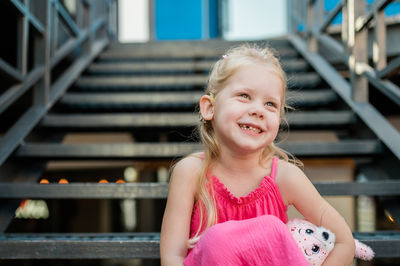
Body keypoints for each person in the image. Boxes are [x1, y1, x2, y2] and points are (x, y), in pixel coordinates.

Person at [160, 44, 355, 265]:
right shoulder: (190, 173)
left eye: (270, 104)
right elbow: (173, 256)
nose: (258, 110)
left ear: (279, 122)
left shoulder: (285, 176)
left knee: (272, 230)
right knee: (217, 241)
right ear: (209, 108)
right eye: (244, 95)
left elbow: (343, 241)